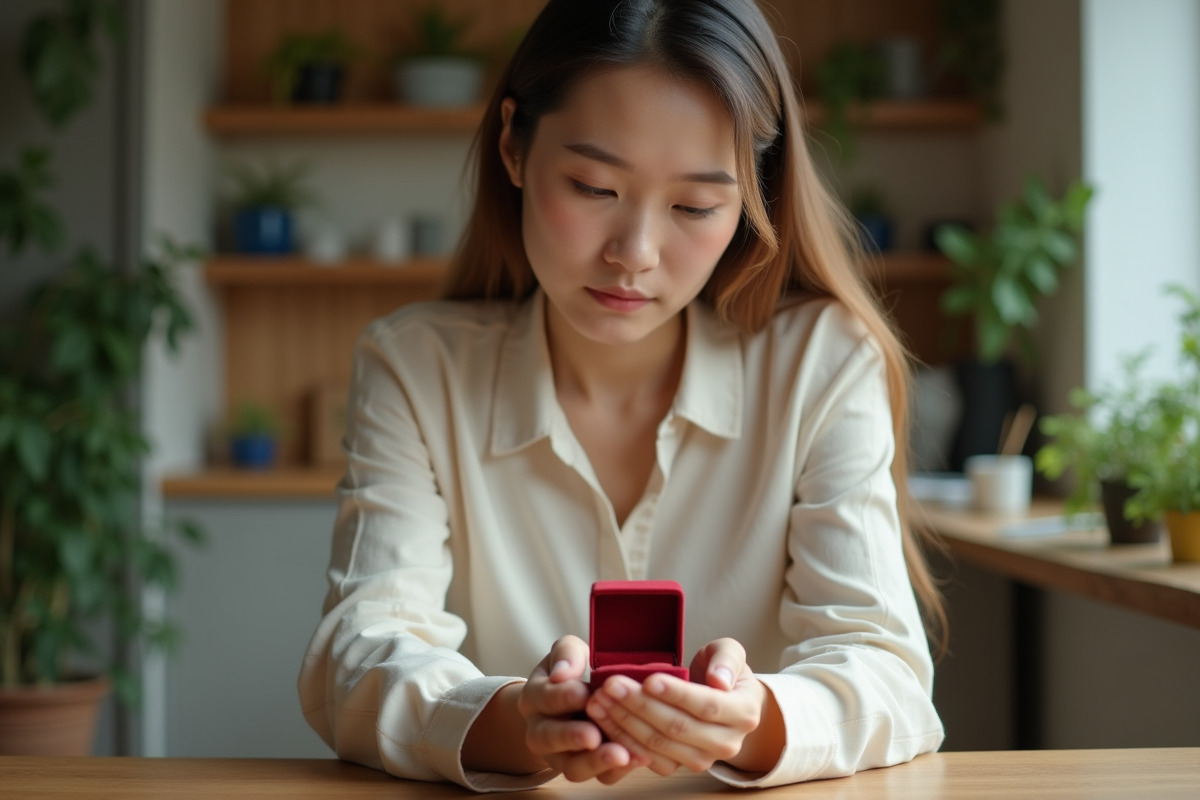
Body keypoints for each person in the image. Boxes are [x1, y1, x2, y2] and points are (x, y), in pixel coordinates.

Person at [298, 0, 946, 791]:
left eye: (695, 207)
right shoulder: (415, 366)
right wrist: (523, 722)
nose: (634, 254)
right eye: (593, 186)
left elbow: (888, 672)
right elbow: (359, 656)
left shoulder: (818, 362)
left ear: (751, 199)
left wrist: (749, 720)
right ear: (512, 144)